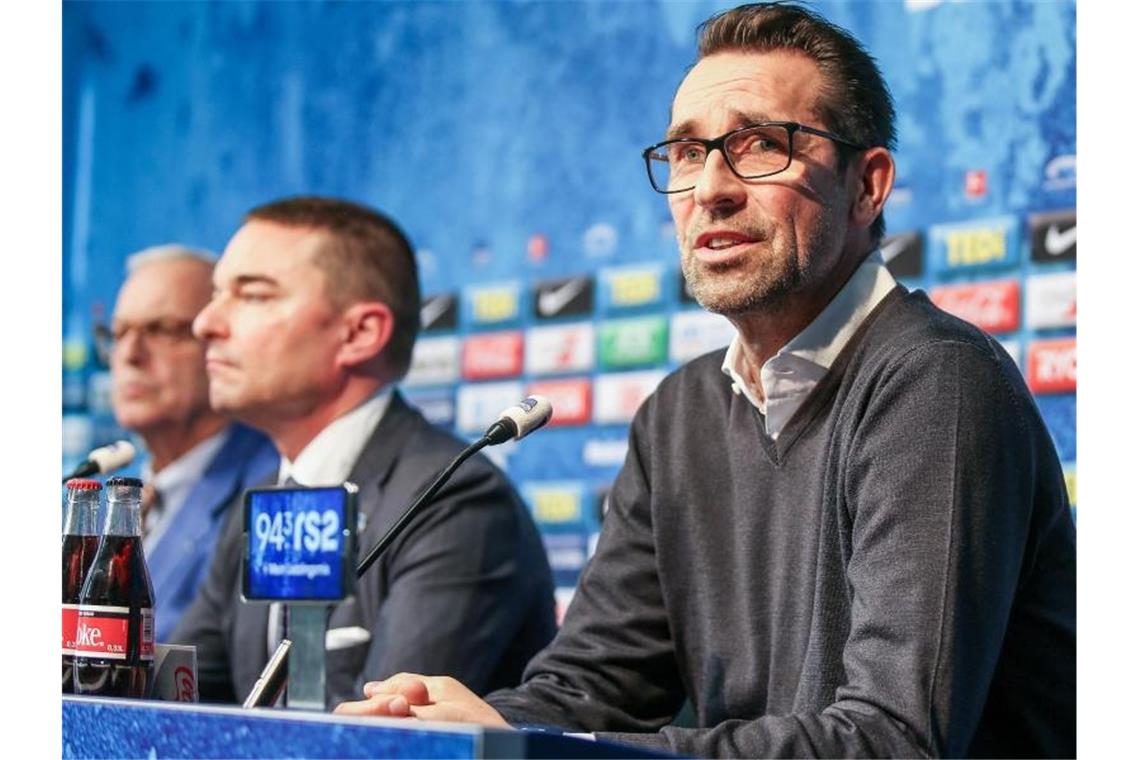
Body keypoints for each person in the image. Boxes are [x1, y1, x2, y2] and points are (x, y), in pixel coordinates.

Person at [334, 4, 1077, 757]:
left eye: (761, 145)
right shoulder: (679, 413)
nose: (711, 188)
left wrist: (570, 745)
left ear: (867, 187)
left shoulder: (936, 382)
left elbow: (894, 739)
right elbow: (592, 683)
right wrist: (485, 726)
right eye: (687, 154)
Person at [172, 196, 556, 706]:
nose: (206, 324)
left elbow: (385, 735)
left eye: (253, 295)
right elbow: (183, 703)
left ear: (359, 333)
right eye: (218, 293)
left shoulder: (455, 500)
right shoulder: (266, 493)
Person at [105, 245, 278, 643]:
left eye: (162, 330)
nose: (130, 354)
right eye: (118, 333)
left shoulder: (271, 488)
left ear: (220, 341)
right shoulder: (106, 497)